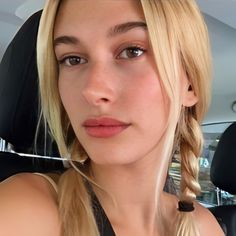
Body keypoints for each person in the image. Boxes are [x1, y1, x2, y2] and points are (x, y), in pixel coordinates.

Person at [0, 0, 225, 235]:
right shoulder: (22, 211)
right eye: (72, 59)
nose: (92, 91)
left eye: (132, 51)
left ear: (190, 84)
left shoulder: (205, 226)